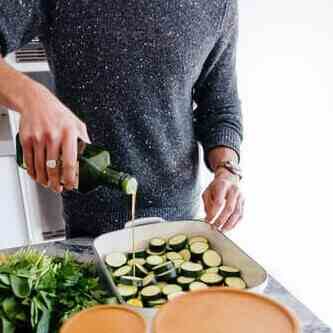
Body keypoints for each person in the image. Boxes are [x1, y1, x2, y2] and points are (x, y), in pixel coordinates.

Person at [0, 0, 244, 238]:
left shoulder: (219, 5)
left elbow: (220, 106)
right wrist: (33, 99)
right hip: (90, 222)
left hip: (179, 218)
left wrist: (227, 170)